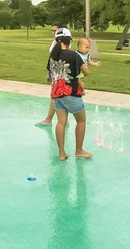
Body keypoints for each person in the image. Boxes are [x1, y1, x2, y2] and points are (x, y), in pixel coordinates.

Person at [48, 28, 93, 161]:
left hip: (56, 94)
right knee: (81, 120)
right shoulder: (73, 55)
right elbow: (87, 71)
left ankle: (62, 153)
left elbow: (49, 76)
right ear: (69, 41)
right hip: (71, 93)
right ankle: (79, 150)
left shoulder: (52, 56)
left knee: (61, 123)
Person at [36, 23, 68, 127]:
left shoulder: (60, 43)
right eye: (52, 30)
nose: (53, 33)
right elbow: (51, 59)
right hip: (54, 71)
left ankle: (49, 119)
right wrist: (48, 72)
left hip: (59, 72)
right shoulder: (54, 42)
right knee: (59, 95)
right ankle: (64, 119)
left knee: (56, 96)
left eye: (55, 31)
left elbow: (55, 59)